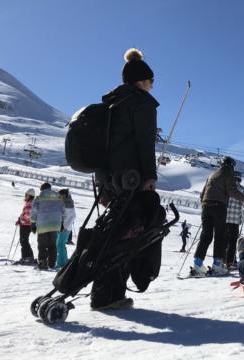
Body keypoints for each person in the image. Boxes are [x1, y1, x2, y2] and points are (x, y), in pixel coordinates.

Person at [85, 48, 165, 311]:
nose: (153, 85)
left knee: (114, 232)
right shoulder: (141, 103)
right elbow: (144, 142)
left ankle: (104, 292)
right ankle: (108, 295)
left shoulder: (112, 102)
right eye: (151, 81)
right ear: (142, 81)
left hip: (107, 177)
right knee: (127, 233)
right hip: (131, 178)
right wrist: (150, 176)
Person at [192, 157, 244, 276]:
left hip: (206, 206)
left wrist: (206, 203)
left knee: (206, 235)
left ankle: (198, 264)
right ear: (231, 165)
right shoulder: (228, 173)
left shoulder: (212, 175)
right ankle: (217, 264)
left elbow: (202, 194)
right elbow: (232, 191)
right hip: (219, 206)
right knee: (220, 235)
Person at [31, 183, 64, 270]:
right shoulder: (58, 197)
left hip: (43, 224)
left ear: (42, 189)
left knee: (42, 244)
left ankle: (42, 263)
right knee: (52, 245)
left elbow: (34, 211)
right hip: (55, 224)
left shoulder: (39, 198)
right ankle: (52, 264)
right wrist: (62, 223)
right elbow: (62, 210)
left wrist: (33, 223)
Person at [225, 171, 244, 268]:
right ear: (239, 179)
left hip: (223, 219)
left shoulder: (226, 188)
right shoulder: (242, 190)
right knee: (232, 242)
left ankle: (220, 261)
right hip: (235, 220)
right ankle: (230, 262)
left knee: (223, 240)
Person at [55, 189, 76, 269]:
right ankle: (64, 261)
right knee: (60, 244)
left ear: (65, 195)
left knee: (60, 245)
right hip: (63, 227)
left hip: (64, 228)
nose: (59, 197)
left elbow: (70, 216)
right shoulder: (65, 202)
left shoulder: (67, 203)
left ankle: (61, 263)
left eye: (60, 195)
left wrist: (64, 226)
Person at [15, 189, 36, 264]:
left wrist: (21, 219)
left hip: (26, 225)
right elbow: (25, 214)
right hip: (25, 224)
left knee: (24, 241)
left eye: (26, 195)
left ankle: (27, 257)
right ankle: (26, 257)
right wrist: (20, 219)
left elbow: (29, 216)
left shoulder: (30, 204)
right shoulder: (29, 203)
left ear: (30, 196)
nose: (25, 196)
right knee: (24, 241)